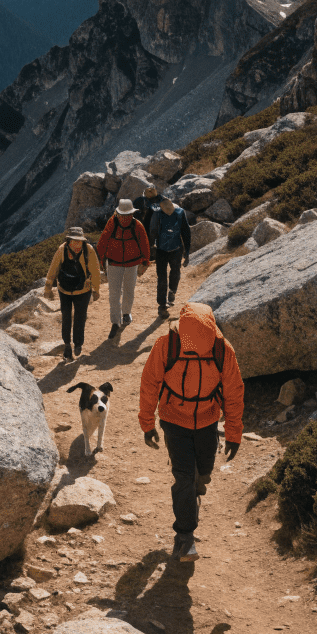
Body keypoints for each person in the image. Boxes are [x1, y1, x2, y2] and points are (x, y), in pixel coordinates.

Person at [138, 301, 244, 561]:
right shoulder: (166, 345)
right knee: (183, 476)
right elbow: (150, 383)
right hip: (174, 419)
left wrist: (233, 433)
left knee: (203, 473)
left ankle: (196, 487)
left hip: (208, 420)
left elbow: (233, 393)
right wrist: (147, 423)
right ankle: (185, 538)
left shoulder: (222, 349)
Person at [96, 198, 150, 342]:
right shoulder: (112, 224)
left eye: (128, 215)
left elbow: (145, 243)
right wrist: (102, 259)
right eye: (123, 215)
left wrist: (145, 260)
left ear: (132, 214)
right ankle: (115, 321)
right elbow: (102, 242)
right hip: (114, 264)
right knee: (114, 294)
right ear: (118, 214)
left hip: (132, 264)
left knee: (129, 290)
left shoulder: (137, 225)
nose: (126, 218)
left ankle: (126, 313)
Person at [44, 226, 101, 360]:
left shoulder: (88, 250)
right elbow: (53, 269)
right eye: (74, 241)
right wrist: (48, 288)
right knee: (66, 317)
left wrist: (96, 290)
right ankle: (68, 345)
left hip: (83, 290)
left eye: (79, 241)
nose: (77, 244)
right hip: (64, 291)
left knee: (80, 317)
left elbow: (95, 271)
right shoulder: (62, 249)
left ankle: (77, 344)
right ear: (68, 241)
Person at [149, 195, 191, 319]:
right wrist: (152, 247)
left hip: (176, 250)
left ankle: (172, 291)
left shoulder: (180, 213)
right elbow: (153, 230)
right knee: (161, 278)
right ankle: (162, 306)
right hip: (161, 251)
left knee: (175, 273)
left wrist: (187, 252)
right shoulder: (157, 214)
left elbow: (186, 232)